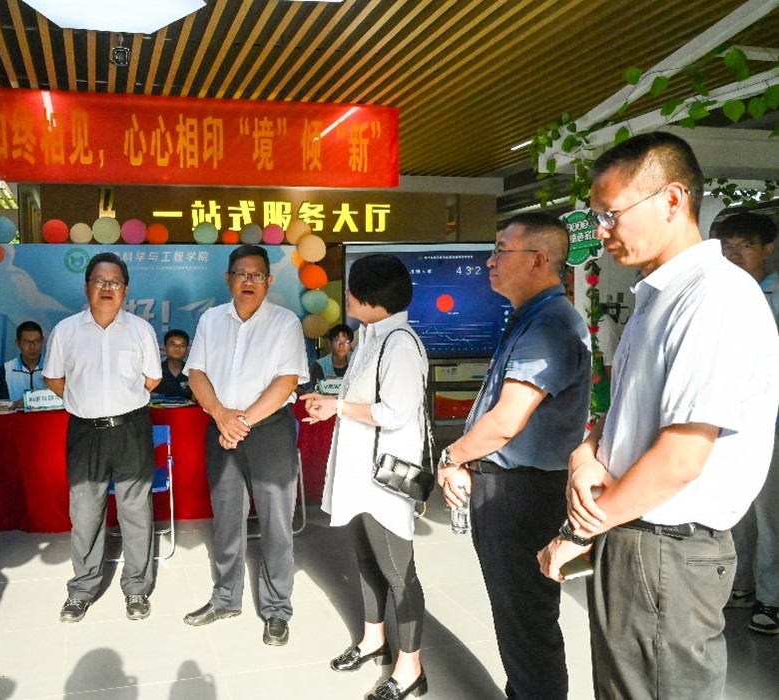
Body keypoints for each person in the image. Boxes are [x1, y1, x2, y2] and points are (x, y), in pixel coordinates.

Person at [537, 132, 779, 698]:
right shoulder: (660, 296)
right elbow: (635, 409)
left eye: (610, 214)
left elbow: (680, 458)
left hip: (667, 547)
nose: (602, 231)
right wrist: (587, 451)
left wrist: (579, 528)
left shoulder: (713, 298)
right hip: (636, 533)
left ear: (671, 199)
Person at [436, 213, 591, 700]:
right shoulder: (531, 317)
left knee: (526, 619)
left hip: (523, 493)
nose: (491, 260)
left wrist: (451, 456)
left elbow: (506, 421)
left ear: (539, 259)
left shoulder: (550, 324)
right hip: (514, 486)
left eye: (502, 250)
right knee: (518, 615)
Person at [302, 254, 429, 700]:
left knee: (398, 573)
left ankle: (411, 668)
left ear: (371, 296)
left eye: (352, 289)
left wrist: (337, 407)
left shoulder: (400, 344)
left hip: (384, 482)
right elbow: (359, 399)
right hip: (359, 476)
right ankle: (374, 640)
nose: (347, 297)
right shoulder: (369, 337)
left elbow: (395, 413)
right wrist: (330, 405)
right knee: (367, 562)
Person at [182, 244, 308, 647]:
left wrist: (241, 422)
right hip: (221, 428)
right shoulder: (210, 320)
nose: (248, 281)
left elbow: (287, 381)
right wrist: (221, 414)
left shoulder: (285, 323)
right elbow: (196, 373)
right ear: (228, 279)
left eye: (256, 275)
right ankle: (225, 598)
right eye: (241, 273)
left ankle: (277, 608)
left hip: (268, 432)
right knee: (226, 518)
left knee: (276, 523)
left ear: (268, 281)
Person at [43, 252, 162, 624]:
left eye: (114, 282)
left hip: (131, 430)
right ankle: (82, 589)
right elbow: (54, 378)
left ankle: (137, 588)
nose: (107, 288)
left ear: (125, 290)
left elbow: (152, 379)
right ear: (87, 288)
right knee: (85, 512)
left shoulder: (140, 330)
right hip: (85, 432)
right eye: (99, 281)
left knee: (136, 511)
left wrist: (118, 401)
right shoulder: (66, 331)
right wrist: (84, 402)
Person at [714, 210, 779, 633]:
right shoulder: (723, 294)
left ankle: (772, 598)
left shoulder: (774, 295)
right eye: (728, 246)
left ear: (767, 249)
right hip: (729, 420)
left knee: (771, 514)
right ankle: (742, 585)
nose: (735, 255)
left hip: (771, 422)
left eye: (746, 246)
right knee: (739, 506)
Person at [0, 320, 46, 405]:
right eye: (26, 342)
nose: (32, 347)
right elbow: (1, 403)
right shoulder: (7, 369)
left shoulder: (53, 367)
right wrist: (14, 404)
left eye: (37, 341)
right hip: (17, 413)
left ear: (42, 341)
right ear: (17, 343)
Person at [307, 323, 353, 391]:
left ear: (350, 345)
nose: (341, 345)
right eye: (337, 341)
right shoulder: (320, 365)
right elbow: (316, 390)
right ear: (330, 343)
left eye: (346, 342)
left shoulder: (357, 362)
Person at [153, 329, 192, 400]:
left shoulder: (192, 373)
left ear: (187, 350)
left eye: (182, 345)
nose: (177, 348)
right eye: (173, 344)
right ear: (164, 347)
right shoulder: (154, 371)